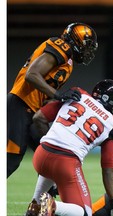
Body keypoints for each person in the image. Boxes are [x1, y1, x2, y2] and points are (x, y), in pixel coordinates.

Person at [7, 22, 98, 178]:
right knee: (11, 160)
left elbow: (45, 95)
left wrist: (62, 105)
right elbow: (32, 75)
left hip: (32, 111)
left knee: (49, 155)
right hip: (20, 103)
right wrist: (59, 95)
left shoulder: (68, 62)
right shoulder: (61, 47)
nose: (86, 51)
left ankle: (45, 198)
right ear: (76, 40)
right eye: (86, 45)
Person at [25, 79, 113, 216]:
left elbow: (38, 118)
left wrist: (50, 142)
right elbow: (108, 169)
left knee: (35, 208)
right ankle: (50, 205)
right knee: (85, 213)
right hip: (66, 162)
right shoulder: (112, 124)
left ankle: (35, 207)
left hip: (41, 154)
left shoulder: (78, 94)